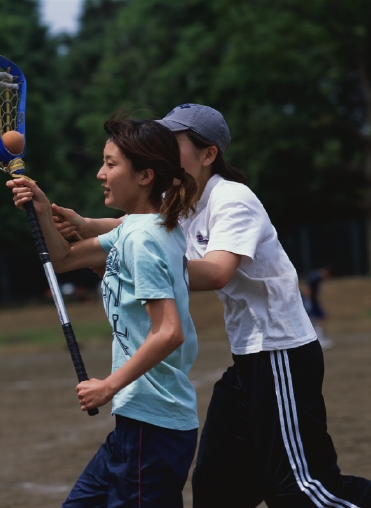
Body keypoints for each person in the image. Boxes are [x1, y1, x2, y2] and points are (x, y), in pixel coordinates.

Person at [50, 104, 371, 507]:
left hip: (281, 354)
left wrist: (145, 261)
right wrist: (85, 223)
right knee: (218, 489)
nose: (163, 148)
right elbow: (137, 227)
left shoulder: (232, 199)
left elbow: (216, 272)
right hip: (248, 359)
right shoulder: (179, 197)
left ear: (208, 154)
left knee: (299, 490)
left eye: (174, 141)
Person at [8, 117, 200, 507]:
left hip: (155, 427)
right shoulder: (135, 228)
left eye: (111, 164)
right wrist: (43, 207)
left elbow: (169, 332)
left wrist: (107, 386)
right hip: (137, 426)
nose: (101, 173)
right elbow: (63, 259)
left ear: (145, 175)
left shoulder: (142, 239)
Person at [302, 267, 334, 349]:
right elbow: (307, 289)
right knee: (319, 318)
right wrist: (308, 301)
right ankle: (319, 339)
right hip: (310, 301)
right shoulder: (316, 277)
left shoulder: (316, 276)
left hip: (311, 301)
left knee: (320, 318)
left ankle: (319, 338)